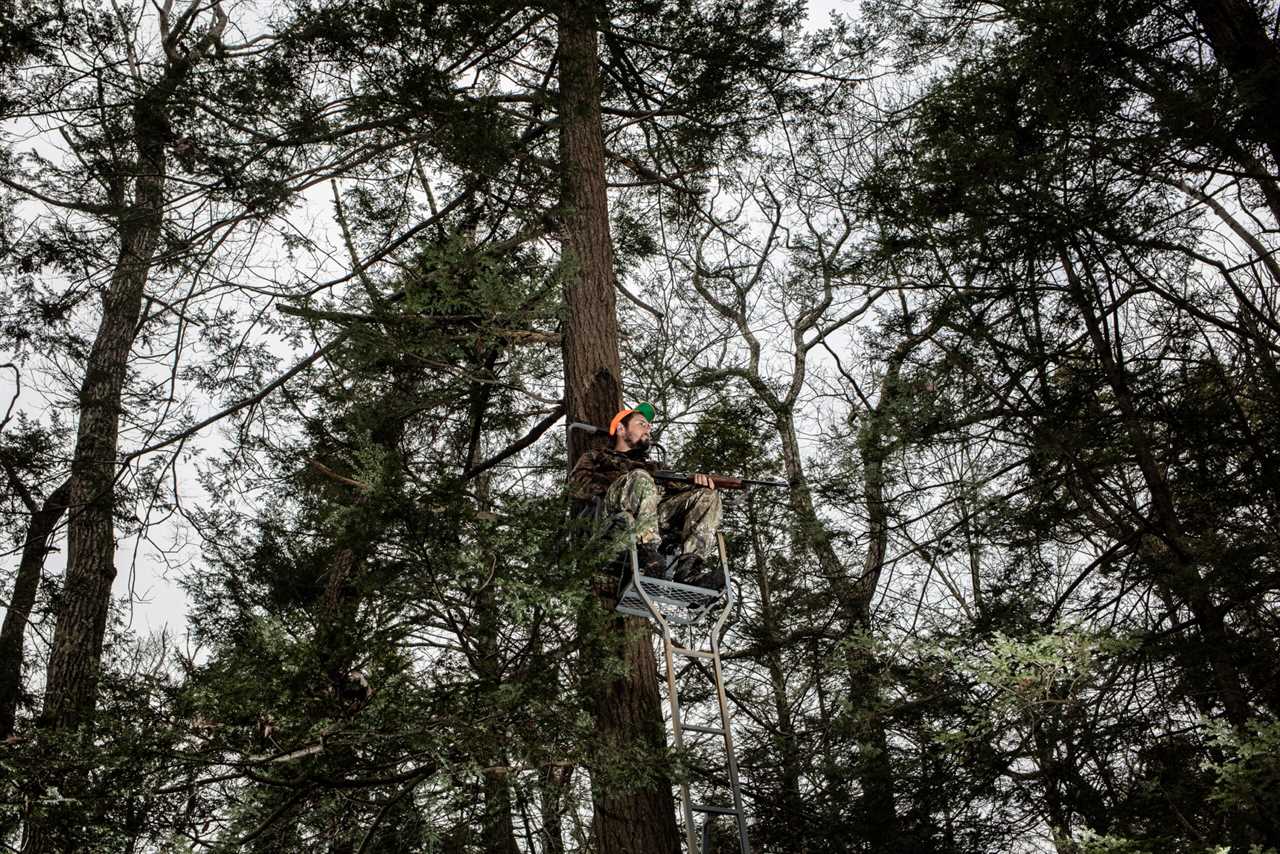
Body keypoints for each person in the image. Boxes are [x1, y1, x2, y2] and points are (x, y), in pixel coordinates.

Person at [569, 402, 724, 590]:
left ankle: (689, 571)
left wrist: (698, 484)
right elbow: (576, 486)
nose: (648, 429)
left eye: (649, 426)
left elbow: (680, 493)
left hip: (652, 518)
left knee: (707, 495)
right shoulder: (596, 457)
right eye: (641, 423)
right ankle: (648, 552)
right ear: (620, 429)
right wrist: (622, 483)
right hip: (611, 517)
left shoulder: (655, 467)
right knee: (640, 477)